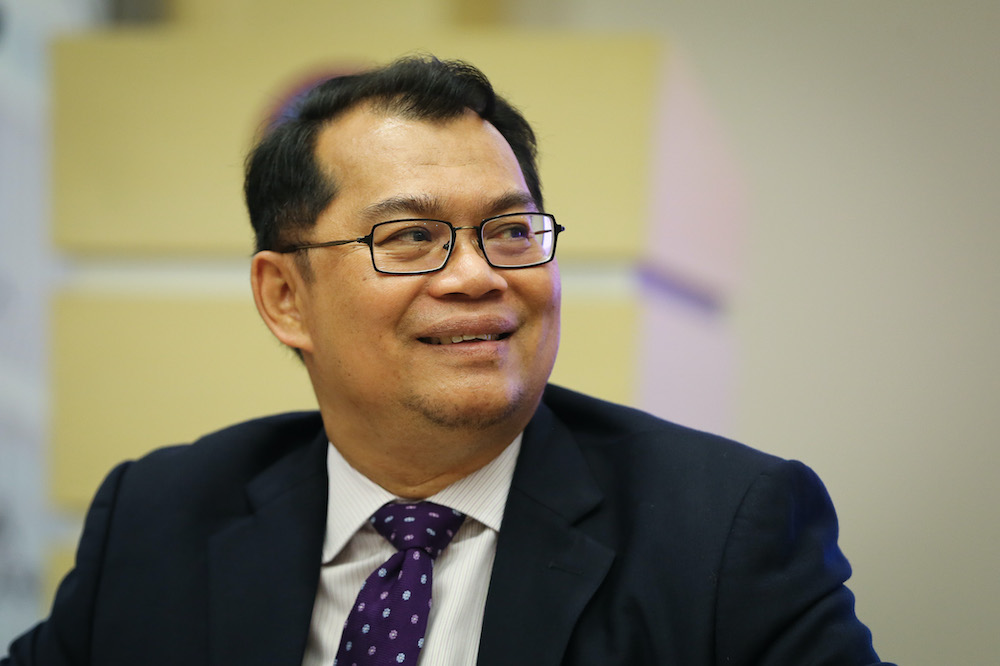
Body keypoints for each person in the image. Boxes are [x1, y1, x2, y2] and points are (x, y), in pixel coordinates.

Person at [3, 56, 892, 665]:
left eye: (510, 231)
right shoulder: (158, 520)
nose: (476, 276)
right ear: (285, 297)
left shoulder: (725, 533)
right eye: (414, 237)